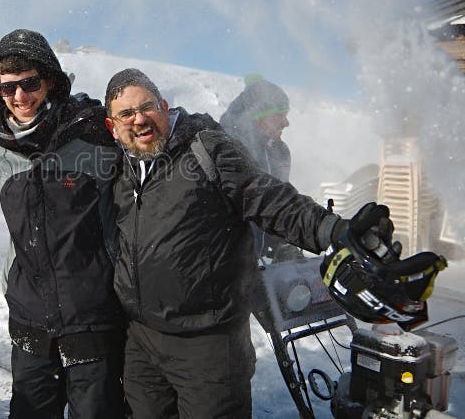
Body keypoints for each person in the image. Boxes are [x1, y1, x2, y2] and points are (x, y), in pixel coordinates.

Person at [103, 68, 395, 418]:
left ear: (164, 106)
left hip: (208, 344)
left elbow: (272, 200)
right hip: (142, 342)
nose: (139, 119)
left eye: (147, 107)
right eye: (126, 114)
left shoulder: (207, 148)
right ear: (113, 126)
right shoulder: (121, 169)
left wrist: (335, 231)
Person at [0, 29, 125, 418]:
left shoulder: (93, 134)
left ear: (51, 81)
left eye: (30, 83)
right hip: (30, 318)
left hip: (91, 314)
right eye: (9, 88)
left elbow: (151, 134)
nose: (20, 97)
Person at [219, 74, 299, 262]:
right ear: (256, 114)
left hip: (259, 267)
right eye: (280, 114)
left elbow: (278, 204)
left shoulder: (278, 152)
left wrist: (282, 243)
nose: (286, 123)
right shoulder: (223, 151)